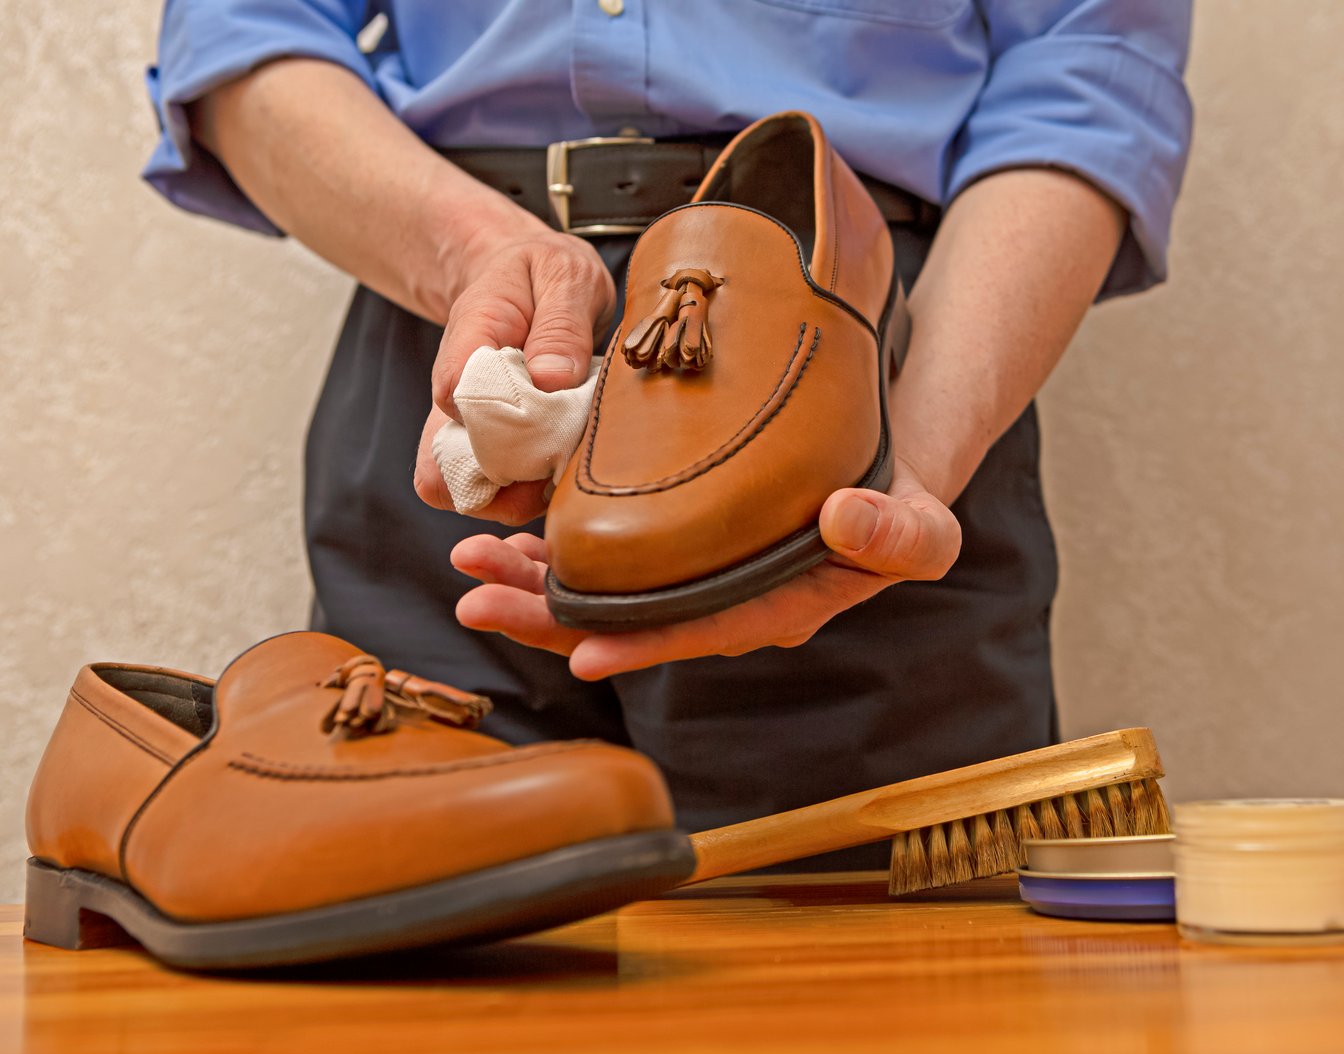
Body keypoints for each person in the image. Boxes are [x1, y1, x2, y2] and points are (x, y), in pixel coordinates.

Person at [143, 1, 1193, 867]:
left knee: (885, 990)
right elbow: (241, 28)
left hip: (849, 354)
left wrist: (910, 455)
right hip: (463, 336)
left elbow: (1086, 69)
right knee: (410, 959)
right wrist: (471, 255)